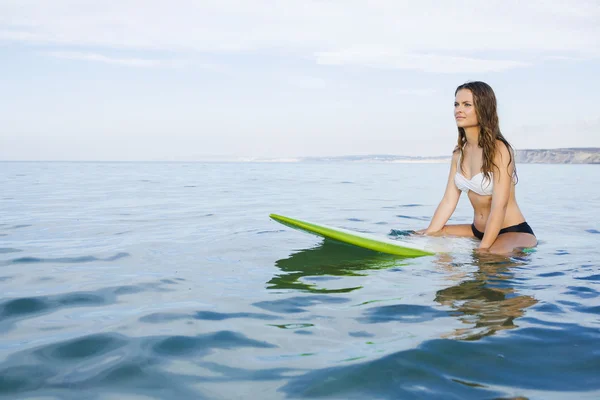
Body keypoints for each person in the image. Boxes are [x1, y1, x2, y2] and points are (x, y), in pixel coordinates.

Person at [416, 81, 537, 255]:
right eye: (456, 104)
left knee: (488, 257)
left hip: (512, 231)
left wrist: (483, 249)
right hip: (477, 230)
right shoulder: (459, 153)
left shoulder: (500, 150)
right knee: (418, 234)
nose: (459, 110)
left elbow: (499, 207)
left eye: (467, 105)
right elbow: (448, 201)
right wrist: (429, 235)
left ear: (483, 109)